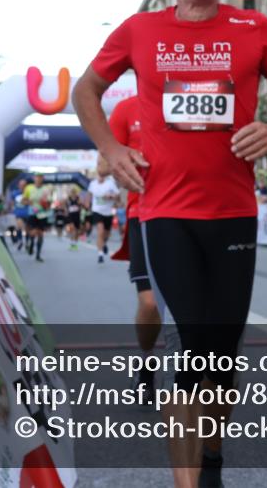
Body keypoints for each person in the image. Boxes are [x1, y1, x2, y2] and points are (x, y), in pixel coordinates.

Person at [72, 0, 267, 488]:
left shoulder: (255, 28)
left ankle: (212, 461)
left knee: (221, 359)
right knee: (188, 352)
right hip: (165, 215)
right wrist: (111, 148)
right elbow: (85, 91)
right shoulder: (140, 30)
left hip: (233, 214)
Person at [109, 94, 164, 397]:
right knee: (150, 303)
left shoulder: (193, 97)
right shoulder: (126, 109)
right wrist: (125, 163)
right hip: (143, 212)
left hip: (192, 212)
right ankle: (147, 363)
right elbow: (106, 164)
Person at [87, 159, 120, 264]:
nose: (100, 176)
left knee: (106, 234)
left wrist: (111, 196)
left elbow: (118, 197)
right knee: (100, 232)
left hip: (108, 212)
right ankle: (100, 254)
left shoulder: (110, 183)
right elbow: (89, 195)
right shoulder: (93, 184)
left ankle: (104, 243)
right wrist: (87, 204)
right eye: (99, 174)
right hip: (97, 211)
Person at [22, 173, 49, 262]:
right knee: (33, 232)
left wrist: (45, 204)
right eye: (37, 177)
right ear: (34, 178)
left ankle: (38, 255)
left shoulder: (46, 189)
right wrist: (28, 202)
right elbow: (23, 201)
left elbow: (49, 203)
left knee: (40, 234)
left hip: (42, 214)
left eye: (40, 177)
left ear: (42, 179)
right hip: (32, 213)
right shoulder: (29, 188)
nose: (38, 179)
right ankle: (31, 243)